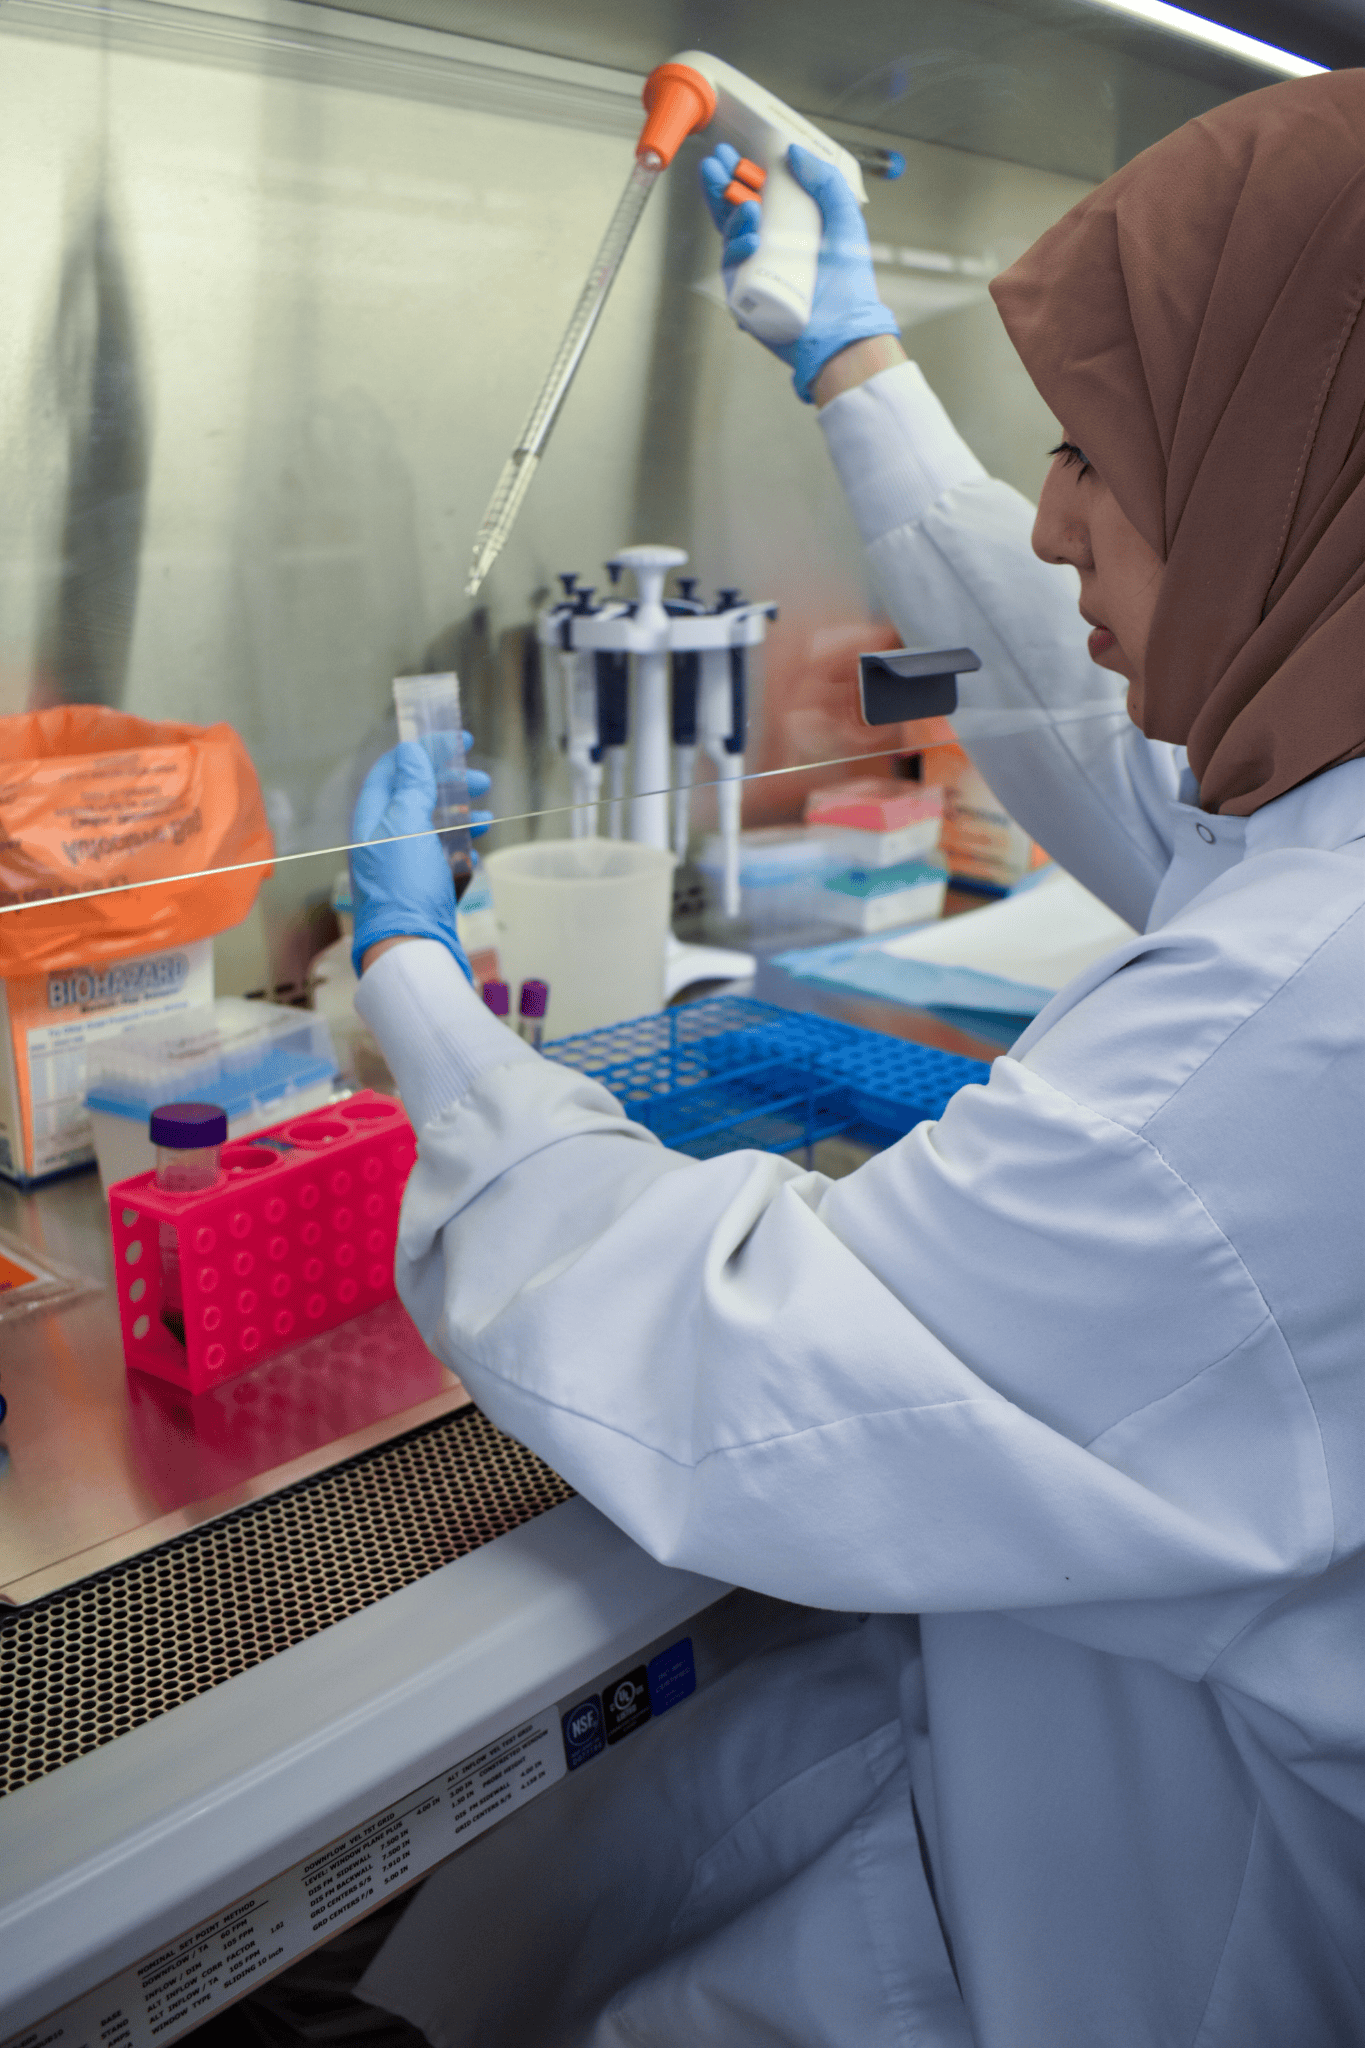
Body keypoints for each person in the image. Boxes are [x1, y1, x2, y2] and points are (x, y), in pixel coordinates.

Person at [346, 72, 1365, 2048]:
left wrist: (423, 1002)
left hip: (1180, 1916)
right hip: (1099, 1751)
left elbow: (739, 1365)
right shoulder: (1313, 778)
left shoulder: (1296, 1020)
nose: (1055, 507)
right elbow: (1151, 739)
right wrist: (853, 366)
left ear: (1289, 471)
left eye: (1107, 446)